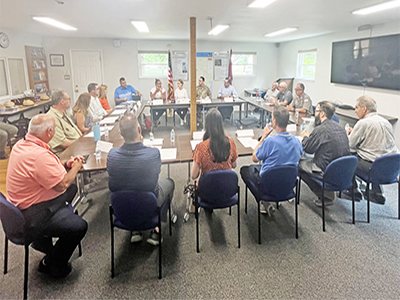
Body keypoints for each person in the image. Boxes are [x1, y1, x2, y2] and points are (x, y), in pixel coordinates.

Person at [6, 114, 87, 278]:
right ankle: (53, 263)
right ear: (49, 131)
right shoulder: (39, 156)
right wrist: (76, 166)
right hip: (32, 215)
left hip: (20, 208)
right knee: (79, 225)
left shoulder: (22, 145)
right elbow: (62, 184)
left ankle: (43, 240)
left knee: (71, 190)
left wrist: (66, 164)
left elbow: (47, 169)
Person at [107, 113, 174, 245]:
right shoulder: (153, 154)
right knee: (170, 183)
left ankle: (135, 230)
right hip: (148, 207)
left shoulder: (112, 155)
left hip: (122, 210)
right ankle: (157, 230)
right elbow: (155, 177)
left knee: (130, 189)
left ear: (121, 134)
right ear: (139, 130)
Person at [240, 106, 303, 214]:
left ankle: (263, 200)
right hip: (287, 185)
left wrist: (264, 136)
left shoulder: (270, 141)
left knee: (245, 170)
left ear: (274, 121)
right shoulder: (297, 142)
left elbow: (254, 157)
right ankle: (267, 201)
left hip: (268, 185)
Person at [348, 95, 399, 204]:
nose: (355, 111)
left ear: (364, 109)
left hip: (373, 169)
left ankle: (354, 190)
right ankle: (378, 193)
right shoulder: (386, 122)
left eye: (356, 108)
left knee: (347, 157)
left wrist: (352, 135)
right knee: (378, 157)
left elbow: (350, 145)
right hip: (392, 169)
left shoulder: (363, 123)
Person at [299, 101, 351, 207]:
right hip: (343, 170)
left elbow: (308, 149)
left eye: (316, 111)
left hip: (327, 170)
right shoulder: (340, 127)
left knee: (298, 164)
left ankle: (324, 196)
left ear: (322, 113)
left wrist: (305, 137)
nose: (314, 114)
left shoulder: (320, 130)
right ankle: (328, 192)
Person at [191, 108, 238, 180]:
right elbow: (234, 165)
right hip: (226, 187)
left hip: (207, 188)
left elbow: (194, 175)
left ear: (207, 125)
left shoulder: (200, 147)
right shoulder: (230, 142)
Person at [46, 90, 82, 155]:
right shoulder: (52, 118)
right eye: (68, 99)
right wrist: (81, 146)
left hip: (77, 147)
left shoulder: (64, 113)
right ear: (62, 102)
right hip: (66, 153)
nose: (70, 101)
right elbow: (63, 143)